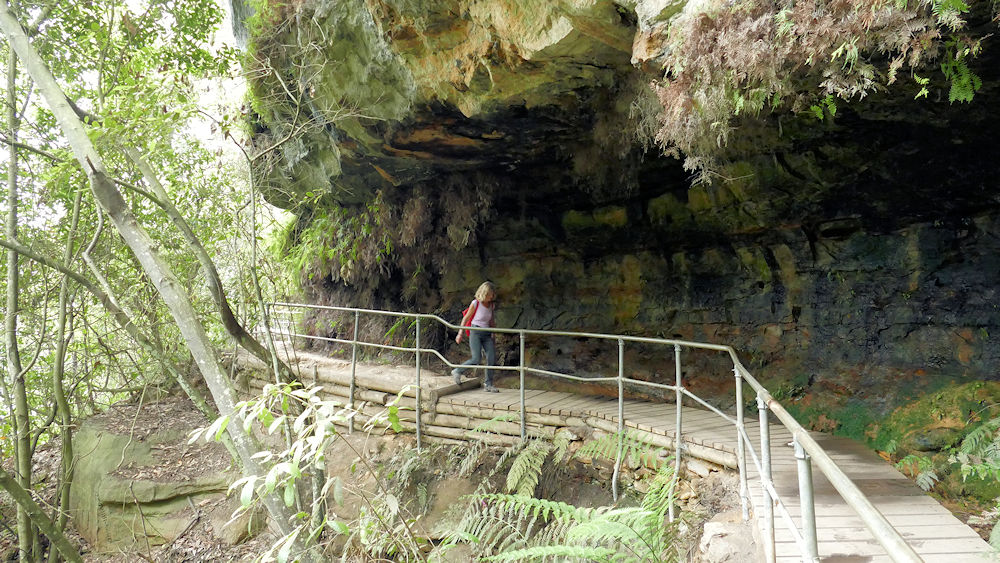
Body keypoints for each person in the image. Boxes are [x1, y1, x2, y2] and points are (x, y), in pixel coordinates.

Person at [453, 281, 498, 392]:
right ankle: (457, 371)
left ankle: (488, 384)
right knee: (476, 358)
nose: (492, 296)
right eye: (490, 294)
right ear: (485, 293)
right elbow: (466, 318)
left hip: (487, 334)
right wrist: (460, 333)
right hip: (476, 332)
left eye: (493, 294)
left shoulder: (491, 305)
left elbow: (492, 321)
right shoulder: (475, 303)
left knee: (491, 358)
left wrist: (494, 335)